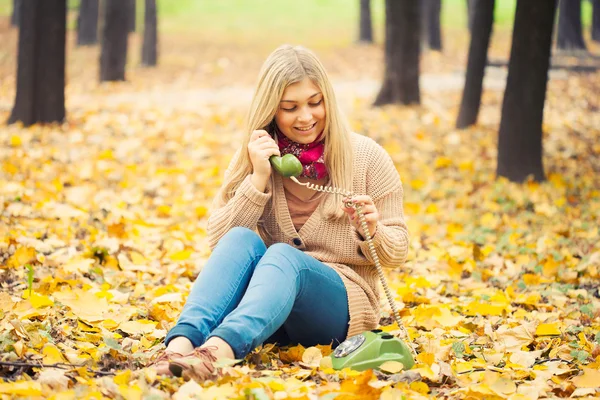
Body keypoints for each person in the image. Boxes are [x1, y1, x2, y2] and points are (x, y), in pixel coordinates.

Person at [148, 44, 410, 382]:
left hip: (340, 310)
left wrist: (373, 230)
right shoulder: (258, 156)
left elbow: (398, 250)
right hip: (271, 307)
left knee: (283, 256)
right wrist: (258, 180)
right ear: (272, 109)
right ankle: (178, 348)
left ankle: (217, 354)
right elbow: (219, 243)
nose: (306, 117)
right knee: (243, 239)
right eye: (290, 107)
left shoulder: (367, 158)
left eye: (315, 103)